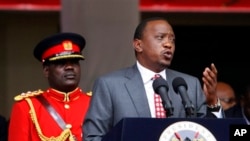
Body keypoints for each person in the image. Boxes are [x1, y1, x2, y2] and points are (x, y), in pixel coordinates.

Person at [83, 17, 220, 141]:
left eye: (172, 39)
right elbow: (92, 137)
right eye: (160, 38)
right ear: (138, 45)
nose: (168, 44)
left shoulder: (189, 84)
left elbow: (209, 134)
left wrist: (213, 102)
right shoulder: (110, 85)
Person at [8, 32, 91, 141]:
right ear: (46, 70)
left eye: (74, 62)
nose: (70, 67)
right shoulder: (27, 107)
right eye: (61, 63)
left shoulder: (95, 103)